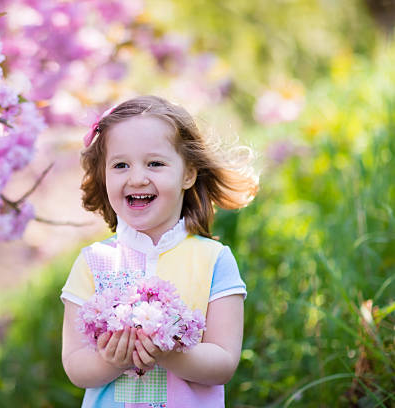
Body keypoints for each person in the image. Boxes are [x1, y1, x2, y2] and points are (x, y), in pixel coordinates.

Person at [60, 95, 259, 407]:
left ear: (188, 174)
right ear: (104, 175)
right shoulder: (94, 262)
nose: (137, 177)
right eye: (121, 165)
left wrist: (170, 353)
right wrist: (113, 360)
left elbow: (223, 362)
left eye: (155, 163)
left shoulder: (214, 260)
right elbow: (75, 365)